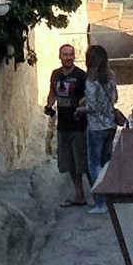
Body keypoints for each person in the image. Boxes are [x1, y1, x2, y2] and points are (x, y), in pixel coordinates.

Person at [44, 43, 93, 206]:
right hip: (63, 125)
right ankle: (79, 194)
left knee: (83, 162)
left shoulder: (81, 76)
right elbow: (52, 92)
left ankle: (99, 196)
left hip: (79, 125)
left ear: (74, 56)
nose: (68, 57)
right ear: (60, 56)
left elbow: (90, 97)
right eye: (65, 54)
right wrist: (49, 106)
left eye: (70, 54)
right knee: (70, 162)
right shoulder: (56, 74)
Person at [83, 53, 123, 200]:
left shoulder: (91, 81)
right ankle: (111, 197)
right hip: (111, 124)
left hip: (96, 127)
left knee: (94, 165)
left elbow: (93, 107)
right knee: (107, 163)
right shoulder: (110, 79)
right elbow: (115, 98)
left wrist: (80, 109)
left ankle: (101, 201)